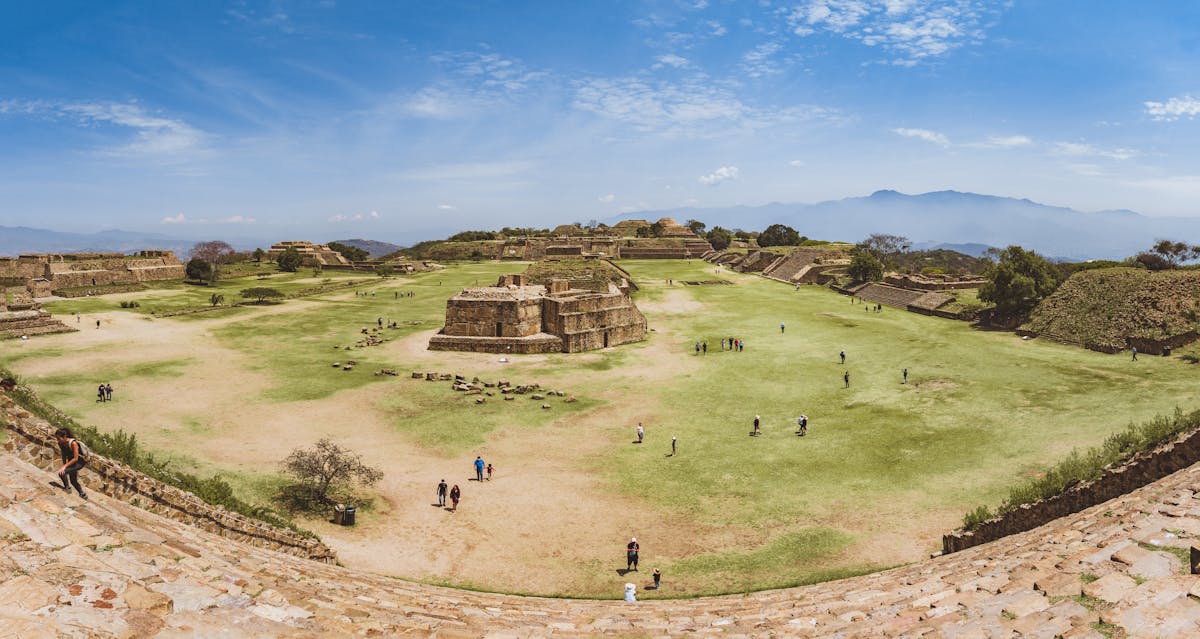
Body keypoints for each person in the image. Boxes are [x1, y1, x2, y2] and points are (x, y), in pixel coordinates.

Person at [54, 428, 88, 500]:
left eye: (59, 438)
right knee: (73, 481)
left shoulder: (73, 443)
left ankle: (67, 488)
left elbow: (76, 458)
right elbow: (64, 454)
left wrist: (64, 467)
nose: (57, 440)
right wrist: (64, 465)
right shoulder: (61, 443)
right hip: (71, 461)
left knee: (62, 473)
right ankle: (82, 494)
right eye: (57, 438)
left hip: (79, 462)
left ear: (65, 436)